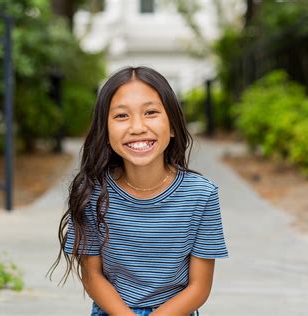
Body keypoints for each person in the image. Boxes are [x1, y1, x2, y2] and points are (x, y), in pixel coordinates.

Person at [49, 66, 228, 316]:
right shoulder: (91, 192)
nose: (137, 127)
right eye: (121, 116)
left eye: (151, 112)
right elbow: (92, 276)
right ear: (106, 131)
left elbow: (199, 287)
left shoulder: (201, 194)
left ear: (173, 126)